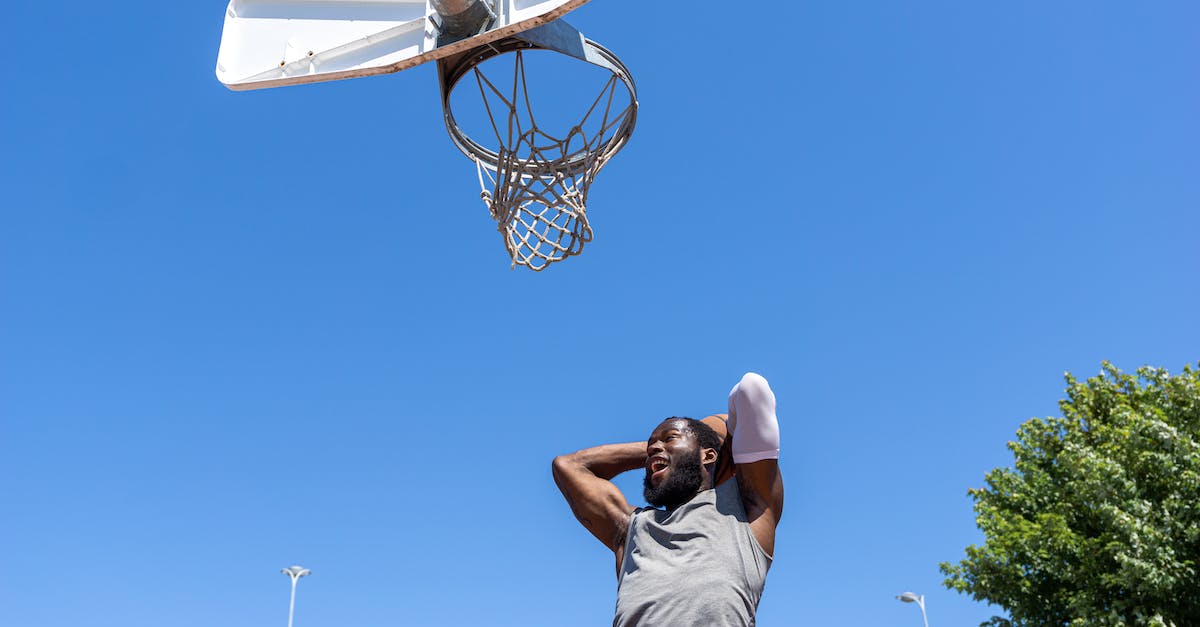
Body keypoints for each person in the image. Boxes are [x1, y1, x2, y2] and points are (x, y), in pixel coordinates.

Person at [552, 372, 784, 626]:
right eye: (650, 444)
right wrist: (661, 448)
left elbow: (752, 389)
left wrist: (707, 435)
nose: (652, 447)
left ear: (708, 455)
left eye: (669, 437)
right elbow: (569, 466)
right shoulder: (633, 528)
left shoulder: (745, 511)